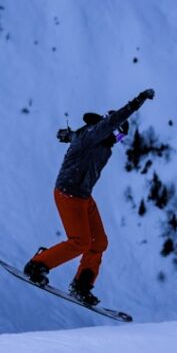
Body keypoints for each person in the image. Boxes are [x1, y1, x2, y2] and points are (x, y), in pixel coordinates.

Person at [24, 89, 155, 306]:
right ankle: (37, 265)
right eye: (119, 134)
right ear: (111, 129)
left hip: (83, 196)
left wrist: (69, 136)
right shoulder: (95, 134)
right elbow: (107, 124)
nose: (118, 139)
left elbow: (79, 136)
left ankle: (81, 286)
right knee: (80, 242)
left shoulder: (100, 143)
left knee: (99, 242)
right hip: (68, 193)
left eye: (122, 138)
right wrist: (138, 101)